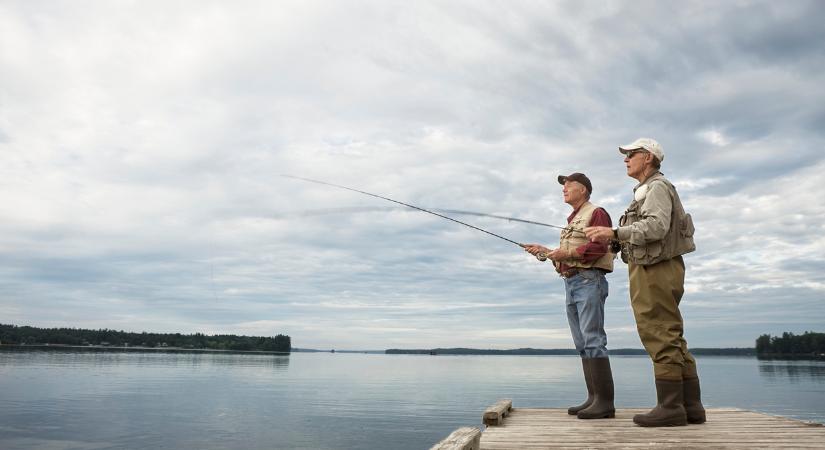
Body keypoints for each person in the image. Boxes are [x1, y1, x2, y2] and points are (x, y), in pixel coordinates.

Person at [584, 138, 706, 427]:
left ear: (648, 157)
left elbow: (656, 227)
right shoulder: (647, 190)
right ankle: (691, 407)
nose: (625, 159)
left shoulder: (657, 187)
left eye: (631, 154)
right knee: (671, 335)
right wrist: (614, 240)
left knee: (658, 330)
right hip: (654, 266)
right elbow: (646, 231)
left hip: (655, 269)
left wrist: (614, 232)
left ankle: (670, 407)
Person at [523, 172, 615, 420]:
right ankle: (594, 399)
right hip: (571, 282)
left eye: (568, 186)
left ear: (583, 189)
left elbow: (599, 247)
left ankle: (605, 403)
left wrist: (566, 254)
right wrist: (547, 253)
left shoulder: (596, 213)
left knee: (593, 339)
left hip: (589, 280)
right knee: (582, 343)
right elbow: (567, 255)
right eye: (563, 186)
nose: (564, 189)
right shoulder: (572, 219)